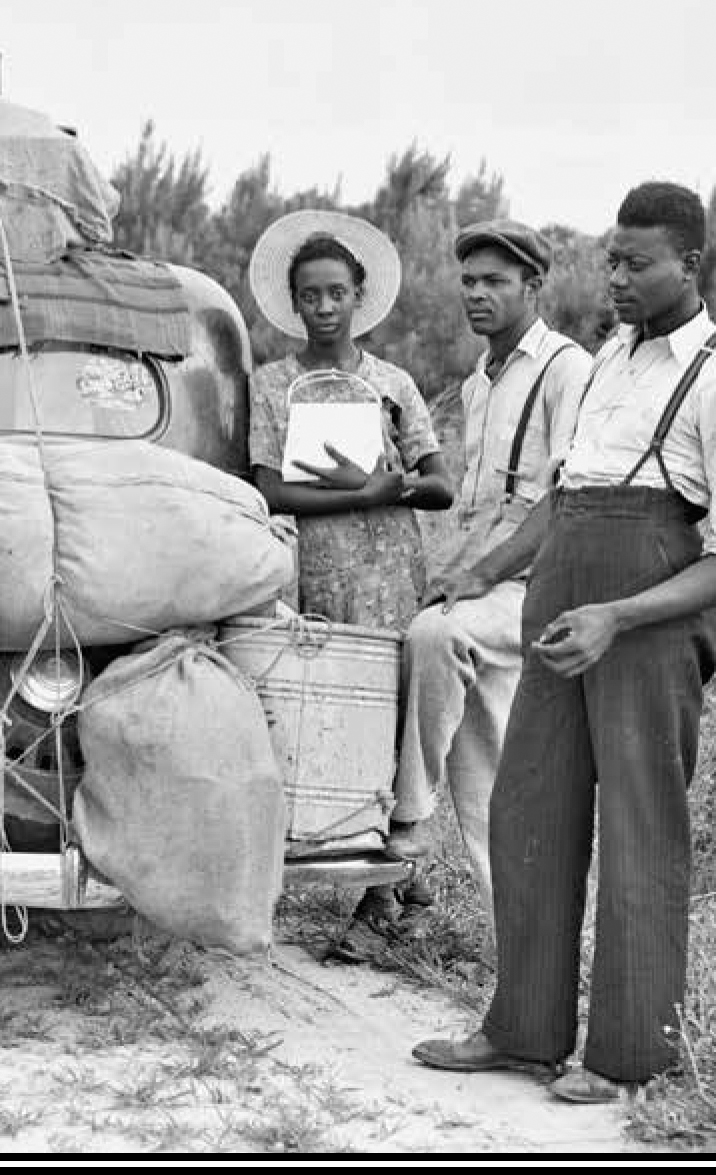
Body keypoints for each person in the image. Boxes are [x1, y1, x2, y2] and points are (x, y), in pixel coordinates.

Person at [414, 183, 716, 1103]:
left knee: (638, 828)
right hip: (560, 602)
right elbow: (565, 496)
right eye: (609, 259)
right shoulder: (610, 358)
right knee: (527, 808)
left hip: (647, 623)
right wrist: (487, 570)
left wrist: (620, 615)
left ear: (690, 265)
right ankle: (525, 1031)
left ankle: (629, 1057)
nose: (613, 278)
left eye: (636, 263)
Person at [244, 210, 454, 964]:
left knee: (394, 718)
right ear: (293, 304)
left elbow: (438, 485)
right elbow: (268, 488)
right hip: (313, 571)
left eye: (336, 292)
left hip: (391, 569)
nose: (324, 306)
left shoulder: (391, 383)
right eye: (310, 295)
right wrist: (363, 493)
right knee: (323, 716)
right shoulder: (271, 385)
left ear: (360, 296)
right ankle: (365, 867)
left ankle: (382, 890)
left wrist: (389, 488)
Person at [385, 220, 592, 922]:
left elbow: (564, 499)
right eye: (468, 281)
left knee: (436, 639)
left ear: (533, 287)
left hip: (536, 580)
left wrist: (479, 577)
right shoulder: (481, 379)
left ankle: (406, 820)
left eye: (495, 282)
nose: (477, 294)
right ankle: (528, 943)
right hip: (483, 569)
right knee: (489, 777)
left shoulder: (567, 369)